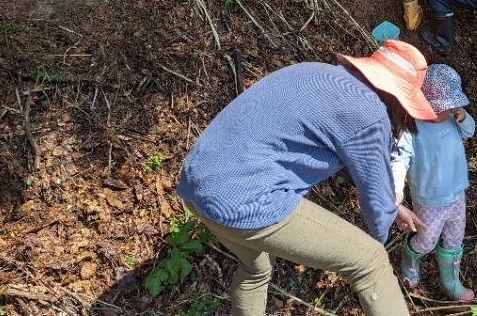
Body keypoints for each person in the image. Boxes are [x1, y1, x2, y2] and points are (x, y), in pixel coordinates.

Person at [176, 40, 437, 316]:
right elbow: (376, 208)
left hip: (196, 180)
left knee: (256, 268)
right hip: (245, 197)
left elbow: (354, 164)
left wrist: (390, 205)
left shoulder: (317, 72)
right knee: (371, 261)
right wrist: (383, 224)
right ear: (399, 98)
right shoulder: (370, 113)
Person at [391, 64, 476, 302]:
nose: (448, 112)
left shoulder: (452, 121)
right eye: (444, 108)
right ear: (425, 104)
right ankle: (410, 259)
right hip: (429, 200)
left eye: (451, 107)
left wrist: (461, 115)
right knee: (427, 240)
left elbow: (470, 131)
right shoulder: (412, 129)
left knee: (455, 238)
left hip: (457, 193)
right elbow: (399, 159)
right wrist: (396, 191)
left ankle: (450, 281)